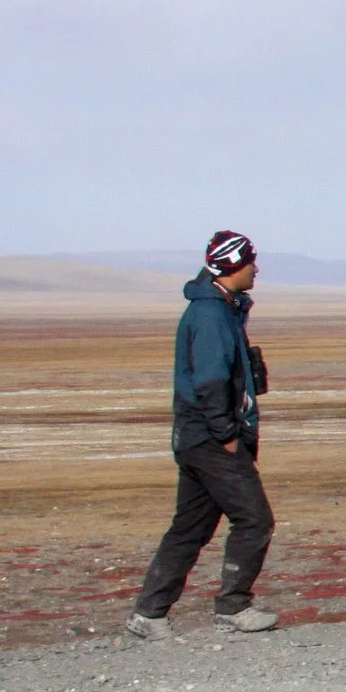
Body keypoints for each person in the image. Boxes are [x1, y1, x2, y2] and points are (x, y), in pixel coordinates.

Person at [127, 231, 279, 638]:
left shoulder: (221, 310)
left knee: (189, 528)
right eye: (251, 261)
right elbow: (210, 380)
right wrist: (228, 434)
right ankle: (233, 608)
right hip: (211, 439)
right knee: (254, 519)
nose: (256, 268)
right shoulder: (211, 315)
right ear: (233, 265)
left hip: (196, 437)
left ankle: (149, 614)